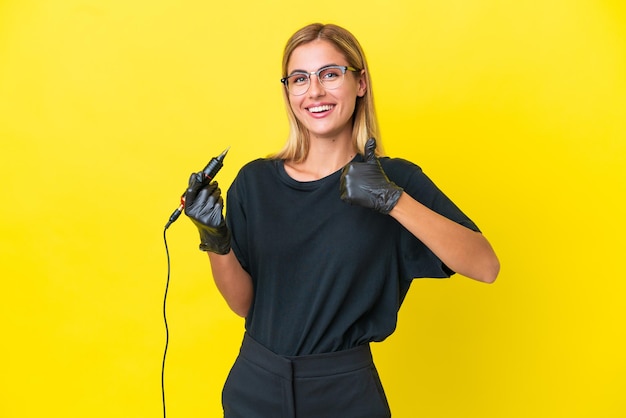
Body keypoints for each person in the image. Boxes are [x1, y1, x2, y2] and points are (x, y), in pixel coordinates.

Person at [184, 22, 500, 418]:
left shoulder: (394, 180)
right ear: (288, 92)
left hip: (344, 392)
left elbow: (485, 266)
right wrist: (215, 240)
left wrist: (392, 199)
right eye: (300, 79)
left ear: (360, 82)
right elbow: (244, 304)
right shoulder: (254, 182)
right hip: (256, 384)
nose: (314, 91)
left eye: (330, 74)